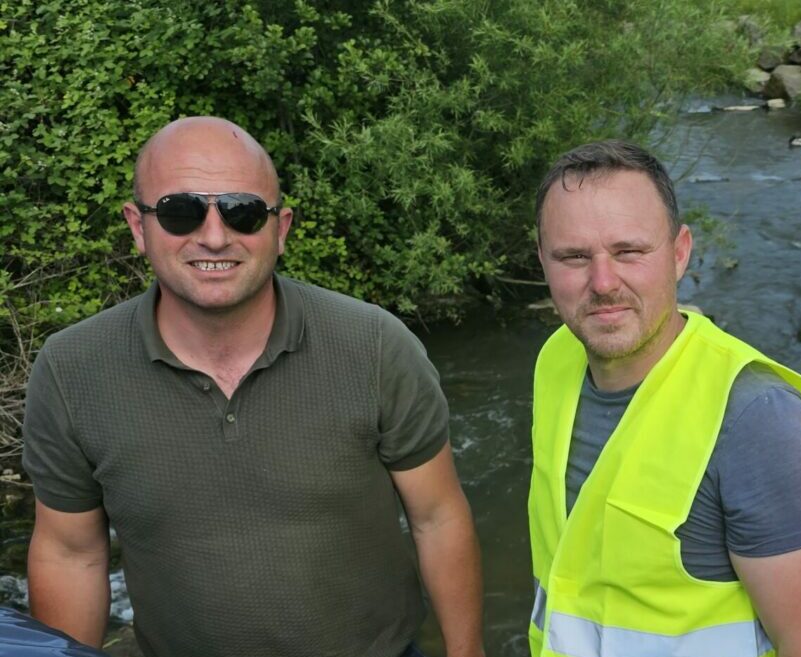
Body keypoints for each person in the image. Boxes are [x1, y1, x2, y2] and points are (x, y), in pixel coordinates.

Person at [22, 117, 484, 657]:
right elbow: (70, 553)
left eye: (243, 213)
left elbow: (437, 517)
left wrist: (466, 652)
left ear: (281, 228)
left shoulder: (376, 347)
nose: (214, 236)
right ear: (137, 225)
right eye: (180, 212)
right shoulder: (72, 369)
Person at [527, 140, 801, 657]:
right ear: (543, 260)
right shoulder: (557, 360)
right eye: (574, 257)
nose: (603, 282)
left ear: (680, 254)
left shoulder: (759, 422)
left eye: (629, 252)